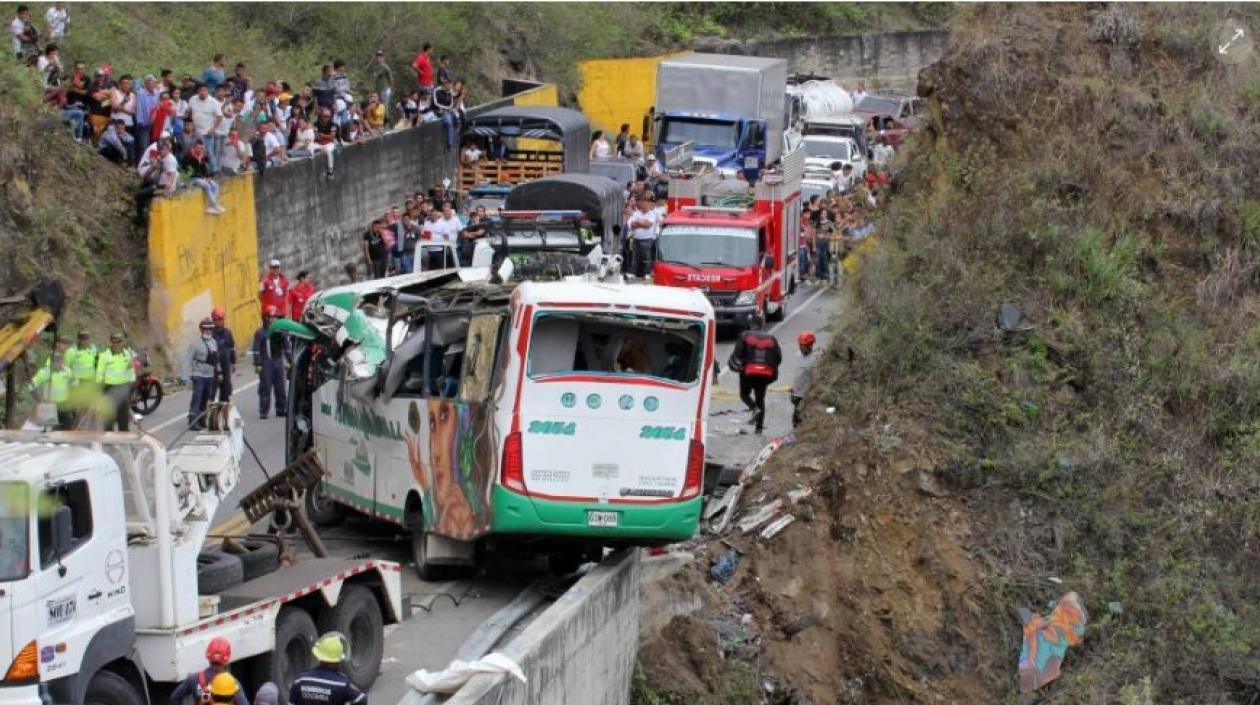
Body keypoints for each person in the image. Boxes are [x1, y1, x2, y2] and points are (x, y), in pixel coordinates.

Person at [727, 329, 782, 434]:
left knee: (744, 394)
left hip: (748, 373)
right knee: (760, 399)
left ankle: (754, 408)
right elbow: (778, 358)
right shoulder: (771, 339)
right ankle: (759, 429)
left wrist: (739, 367)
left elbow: (737, 354)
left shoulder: (744, 336)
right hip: (765, 374)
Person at [290, 633, 366, 705]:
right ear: (338, 661)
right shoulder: (342, 684)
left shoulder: (300, 680)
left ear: (319, 657)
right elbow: (361, 699)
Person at [169, 637, 249, 705]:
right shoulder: (233, 683)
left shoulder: (194, 679)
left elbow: (174, 698)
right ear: (227, 659)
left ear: (208, 657)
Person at [252, 307, 289, 420]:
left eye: (275, 317)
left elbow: (286, 347)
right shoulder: (260, 333)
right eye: (271, 317)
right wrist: (257, 363)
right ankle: (264, 411)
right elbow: (256, 349)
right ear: (266, 318)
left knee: (280, 387)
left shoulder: (280, 331)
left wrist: (290, 360)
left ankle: (281, 409)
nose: (273, 319)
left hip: (278, 360)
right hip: (266, 362)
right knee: (265, 387)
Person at [95, 332, 135, 431]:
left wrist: (133, 391)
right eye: (114, 342)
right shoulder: (104, 356)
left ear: (123, 342)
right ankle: (109, 441)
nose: (117, 344)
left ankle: (124, 439)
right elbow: (99, 375)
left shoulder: (128, 354)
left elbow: (131, 374)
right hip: (109, 389)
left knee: (124, 418)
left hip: (123, 389)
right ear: (111, 342)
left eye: (119, 342)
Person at [184, 318, 220, 429]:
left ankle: (203, 419)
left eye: (210, 329)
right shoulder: (195, 343)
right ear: (201, 329)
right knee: (197, 397)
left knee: (206, 398)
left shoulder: (214, 342)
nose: (208, 331)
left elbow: (215, 359)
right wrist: (185, 376)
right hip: (198, 374)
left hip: (210, 375)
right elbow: (188, 359)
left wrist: (219, 372)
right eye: (206, 329)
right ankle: (193, 421)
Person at [30, 348, 74, 429]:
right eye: (56, 360)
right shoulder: (44, 372)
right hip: (48, 405)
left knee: (67, 428)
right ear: (52, 361)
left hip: (64, 405)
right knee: (48, 430)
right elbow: (31, 386)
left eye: (60, 360)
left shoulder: (68, 371)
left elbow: (74, 385)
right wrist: (40, 400)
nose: (59, 363)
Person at [183, 140, 227, 214]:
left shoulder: (202, 157)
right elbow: (190, 172)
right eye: (199, 148)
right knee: (206, 185)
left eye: (202, 148)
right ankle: (214, 205)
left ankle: (211, 206)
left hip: (201, 177)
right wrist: (203, 178)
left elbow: (205, 169)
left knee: (215, 186)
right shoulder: (188, 157)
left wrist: (208, 176)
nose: (200, 150)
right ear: (194, 148)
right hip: (191, 178)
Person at [627, 198, 659, 279]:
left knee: (647, 257)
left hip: (647, 239)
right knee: (635, 257)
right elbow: (632, 225)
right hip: (636, 239)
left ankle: (647, 273)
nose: (645, 206)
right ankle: (633, 273)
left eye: (646, 205)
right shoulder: (636, 213)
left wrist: (638, 222)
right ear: (641, 205)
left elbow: (648, 225)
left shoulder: (652, 214)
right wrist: (642, 223)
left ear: (648, 205)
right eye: (643, 205)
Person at [791, 331, 816, 428]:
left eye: (804, 345)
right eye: (800, 345)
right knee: (795, 419)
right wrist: (793, 389)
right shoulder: (798, 355)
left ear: (810, 345)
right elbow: (797, 374)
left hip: (806, 394)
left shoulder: (815, 359)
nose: (801, 347)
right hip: (796, 393)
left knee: (803, 418)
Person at [210, 308, 236, 402]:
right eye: (218, 319)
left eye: (222, 319)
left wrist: (233, 362)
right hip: (215, 367)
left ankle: (223, 411)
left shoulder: (227, 332)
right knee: (212, 391)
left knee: (226, 390)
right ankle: (210, 412)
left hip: (226, 365)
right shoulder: (211, 335)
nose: (221, 321)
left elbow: (232, 348)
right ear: (214, 320)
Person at [370, 50, 393, 120]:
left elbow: (391, 79)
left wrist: (389, 89)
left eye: (380, 56)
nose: (378, 58)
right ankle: (380, 124)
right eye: (377, 56)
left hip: (384, 90)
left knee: (384, 107)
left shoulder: (385, 67)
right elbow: (376, 80)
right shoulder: (376, 67)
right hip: (378, 90)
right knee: (378, 107)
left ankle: (387, 124)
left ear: (383, 58)